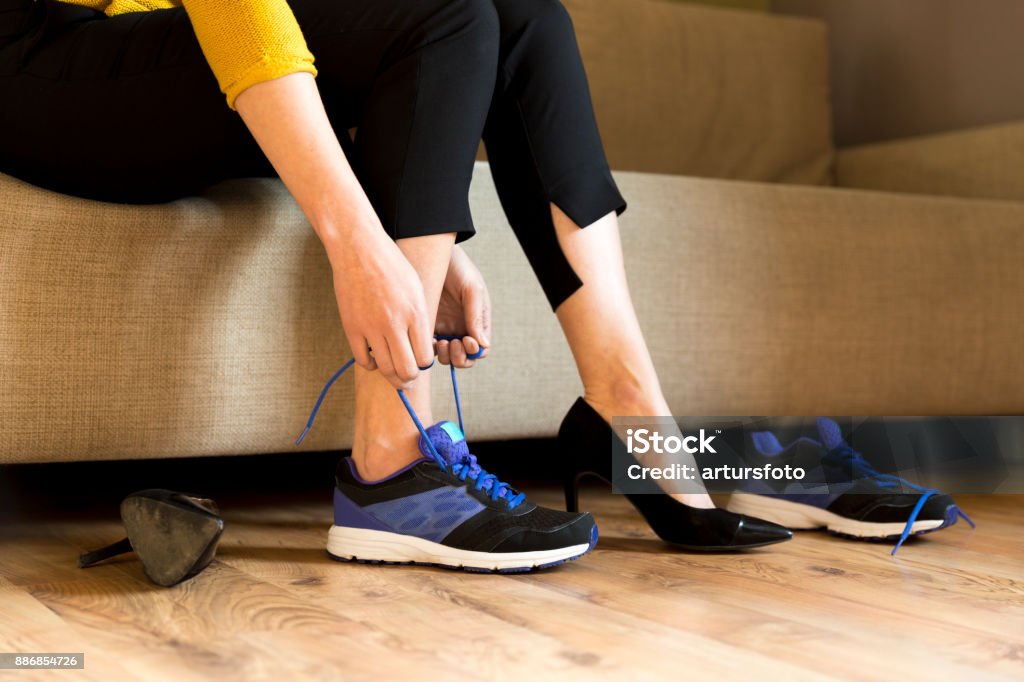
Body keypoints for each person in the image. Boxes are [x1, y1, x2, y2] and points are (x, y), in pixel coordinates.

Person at [0, 0, 792, 572]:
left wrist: (429, 235)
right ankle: (392, 461)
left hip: (162, 41)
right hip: (37, 61)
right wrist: (357, 242)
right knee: (445, 15)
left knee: (524, 16)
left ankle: (627, 406)